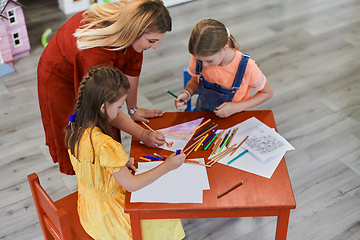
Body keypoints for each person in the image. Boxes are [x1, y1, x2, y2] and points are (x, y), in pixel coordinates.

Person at [38, 0, 170, 175]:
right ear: (134, 31)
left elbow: (132, 69)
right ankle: (91, 181)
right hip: (62, 79)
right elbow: (103, 107)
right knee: (83, 139)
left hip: (96, 70)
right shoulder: (96, 51)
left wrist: (133, 109)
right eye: (152, 40)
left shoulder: (131, 31)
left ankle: (110, 172)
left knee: (109, 130)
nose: (155, 47)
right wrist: (142, 135)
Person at [65, 65, 186, 240]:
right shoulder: (104, 144)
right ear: (103, 107)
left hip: (89, 208)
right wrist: (167, 166)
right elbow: (132, 185)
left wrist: (117, 165)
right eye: (120, 106)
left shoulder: (75, 125)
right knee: (168, 217)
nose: (120, 111)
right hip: (111, 218)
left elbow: (93, 164)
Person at [175, 19, 273, 118]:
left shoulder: (247, 67)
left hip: (233, 118)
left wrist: (237, 107)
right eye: (200, 60)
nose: (204, 65)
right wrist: (187, 93)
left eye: (209, 61)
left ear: (224, 48)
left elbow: (267, 93)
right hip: (202, 115)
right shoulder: (201, 57)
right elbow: (195, 81)